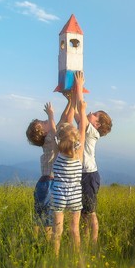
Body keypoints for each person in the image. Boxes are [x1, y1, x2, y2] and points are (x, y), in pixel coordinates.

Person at [51, 71, 88, 257]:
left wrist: (69, 99)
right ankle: (79, 259)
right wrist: (78, 89)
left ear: (60, 138)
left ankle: (55, 259)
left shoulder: (58, 150)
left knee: (57, 231)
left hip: (58, 193)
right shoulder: (78, 152)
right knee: (75, 230)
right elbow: (81, 124)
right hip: (75, 193)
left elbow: (60, 125)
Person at [76, 102, 112, 246]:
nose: (90, 112)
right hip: (84, 174)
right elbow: (77, 115)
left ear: (97, 125)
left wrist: (78, 89)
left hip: (89, 176)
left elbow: (81, 114)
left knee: (91, 212)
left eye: (95, 114)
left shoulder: (92, 132)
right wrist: (70, 99)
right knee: (84, 213)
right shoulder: (88, 128)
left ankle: (94, 243)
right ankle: (85, 241)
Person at [26, 102, 57, 239]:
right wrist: (50, 114)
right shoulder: (50, 138)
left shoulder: (46, 140)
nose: (47, 121)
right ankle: (48, 245)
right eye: (44, 122)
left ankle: (35, 240)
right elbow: (55, 131)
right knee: (49, 219)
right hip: (50, 183)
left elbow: (56, 125)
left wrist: (69, 103)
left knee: (38, 215)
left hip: (41, 183)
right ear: (44, 132)